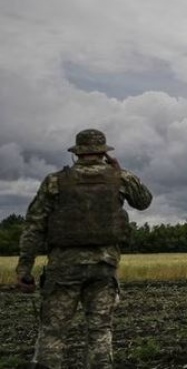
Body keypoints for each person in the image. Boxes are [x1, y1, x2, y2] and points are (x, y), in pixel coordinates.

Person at [15, 128, 153, 369]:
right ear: (103, 152)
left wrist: (24, 270)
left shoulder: (55, 181)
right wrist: (119, 170)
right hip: (104, 267)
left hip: (64, 267)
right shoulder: (120, 177)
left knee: (53, 330)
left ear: (77, 153)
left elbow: (34, 226)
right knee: (100, 330)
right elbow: (144, 201)